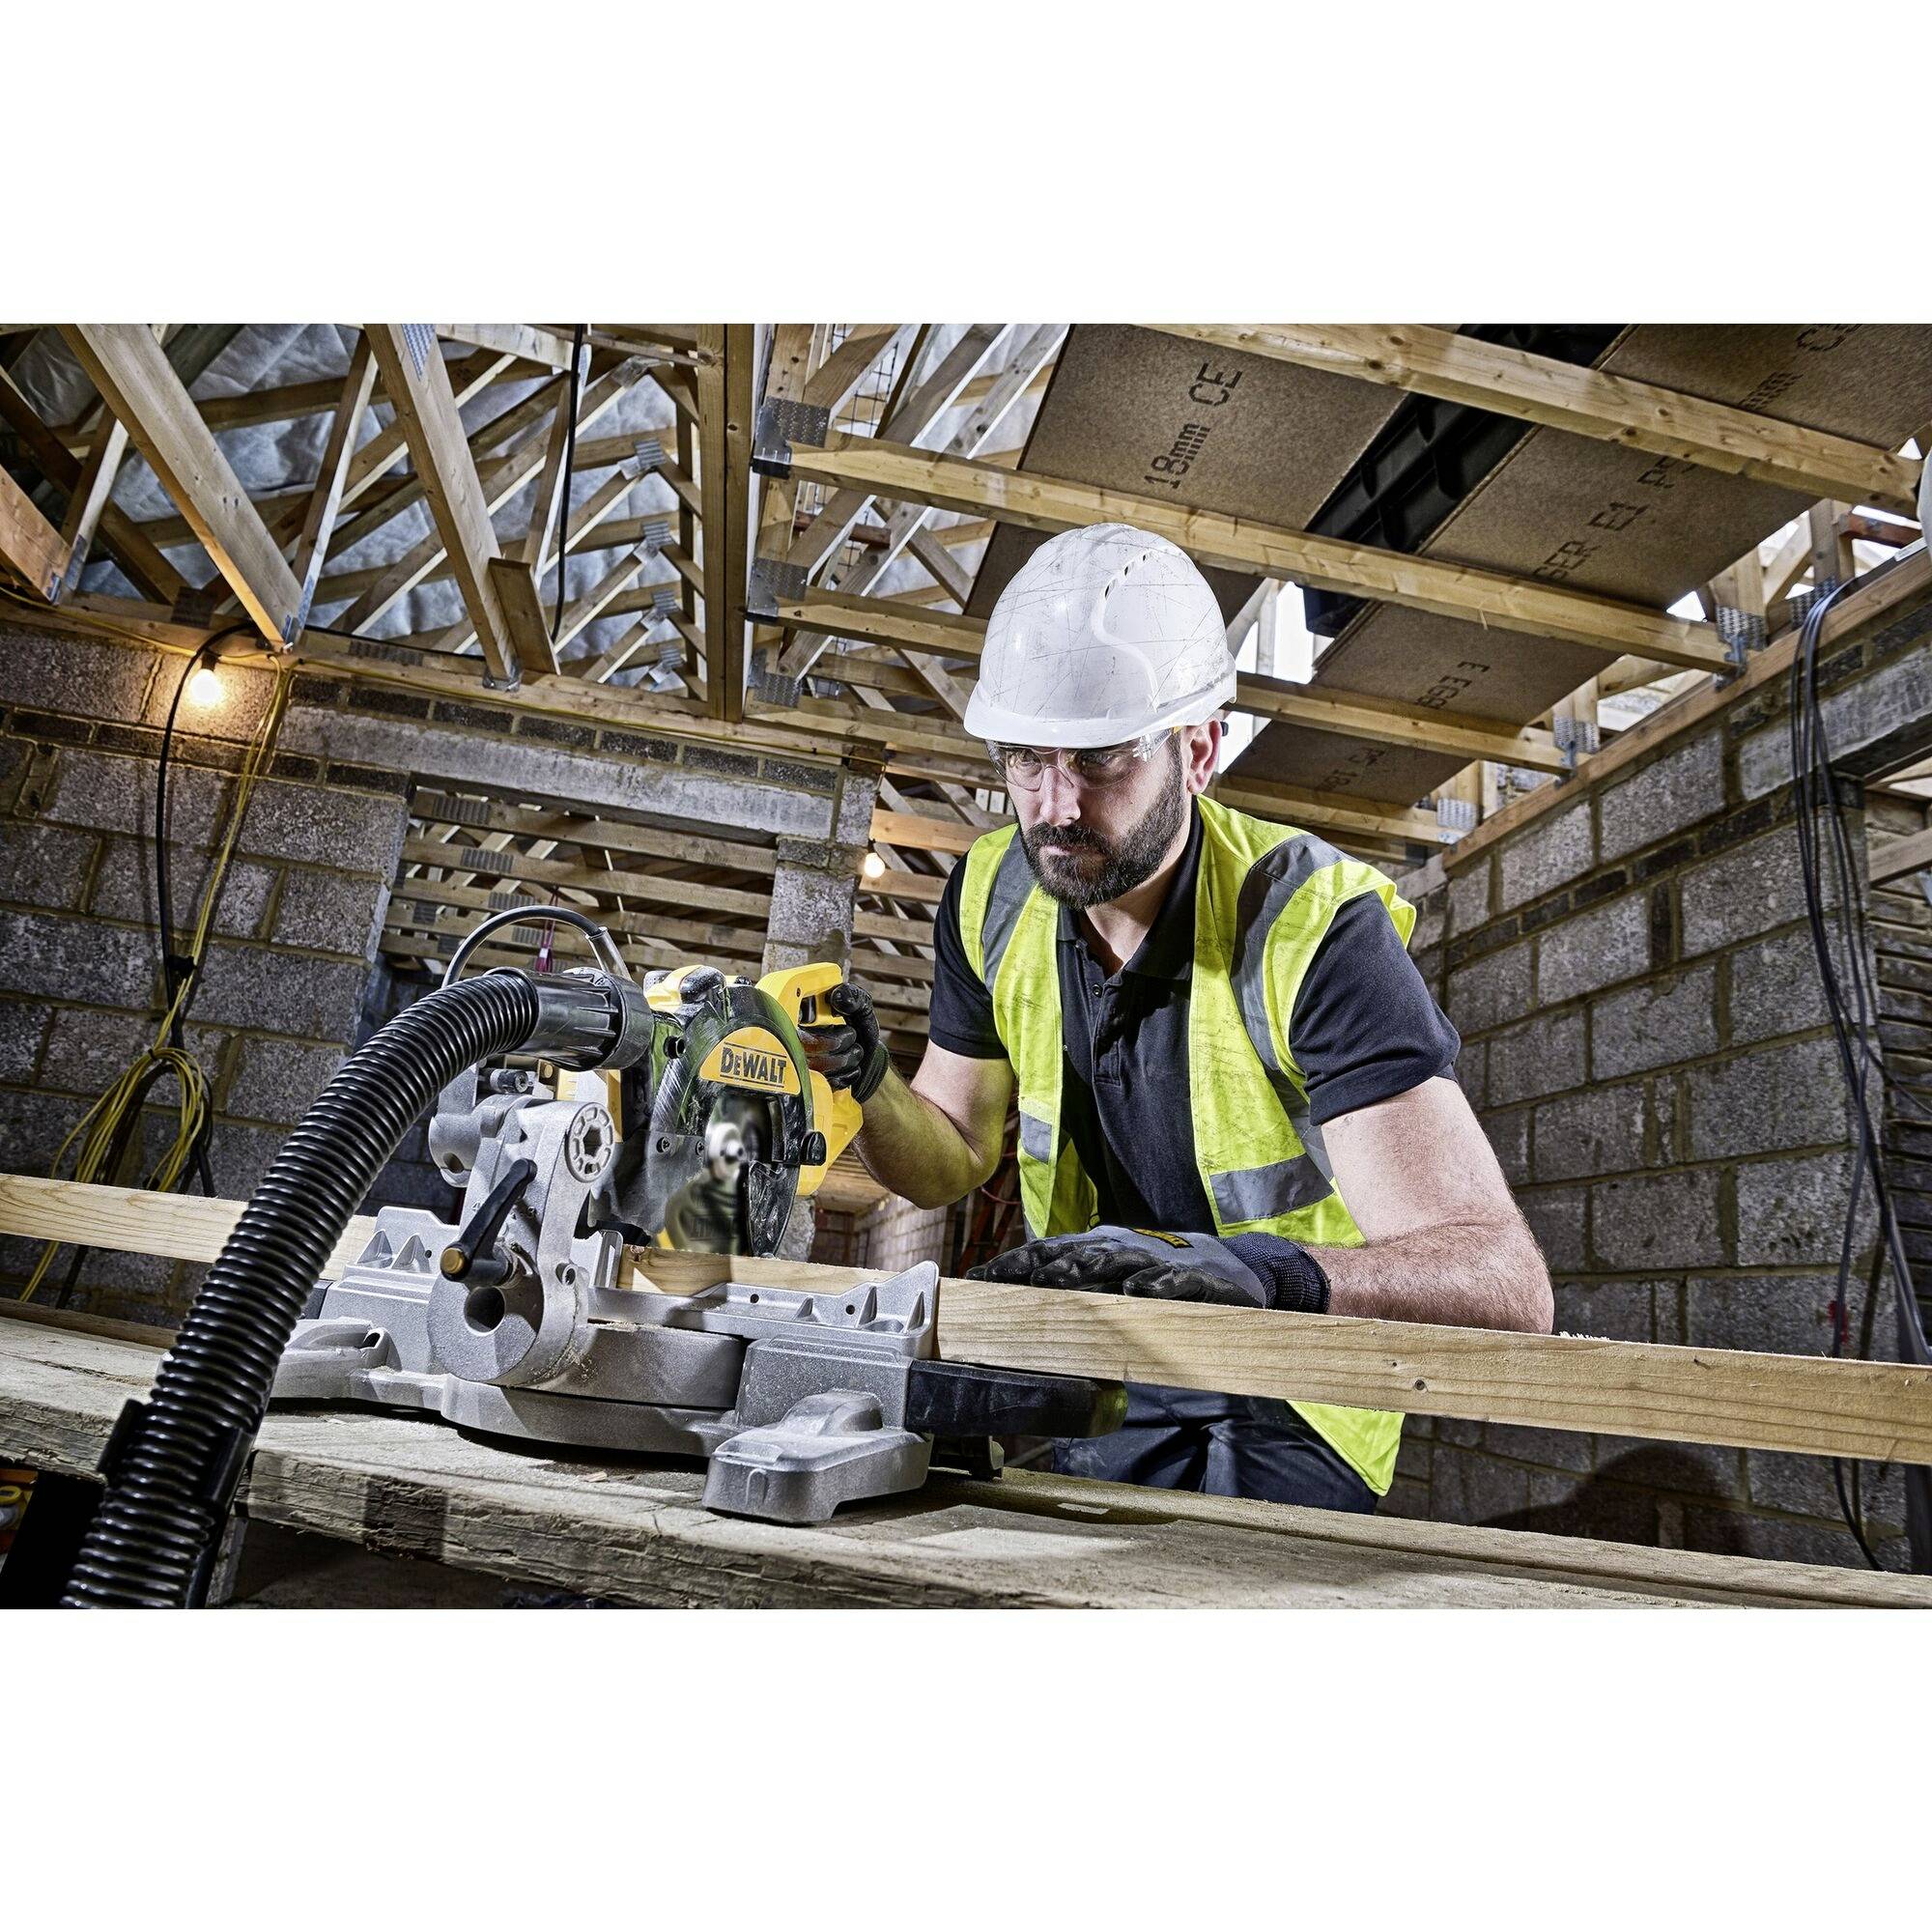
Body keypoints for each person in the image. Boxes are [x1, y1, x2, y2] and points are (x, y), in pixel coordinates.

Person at [807, 524, 1552, 1512]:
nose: (1055, 804)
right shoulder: (990, 893)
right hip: (1104, 1370)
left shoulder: (1310, 925)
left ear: (1197, 748)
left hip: (1291, 1396)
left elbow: (1507, 1281)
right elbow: (950, 1155)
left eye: (1102, 761)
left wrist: (1264, 1271)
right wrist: (870, 1087)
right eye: (1027, 759)